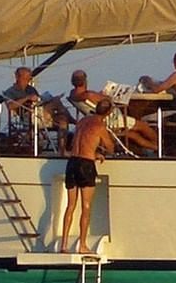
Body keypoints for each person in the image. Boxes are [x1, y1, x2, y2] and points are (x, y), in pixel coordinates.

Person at [60, 100, 112, 254]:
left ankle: (64, 245)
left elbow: (81, 142)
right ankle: (82, 245)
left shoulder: (82, 121)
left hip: (72, 162)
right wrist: (98, 152)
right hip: (86, 164)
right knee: (86, 206)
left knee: (70, 206)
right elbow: (110, 147)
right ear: (108, 113)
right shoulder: (100, 126)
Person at [69, 69, 157, 154]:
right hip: (111, 120)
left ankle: (155, 147)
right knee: (143, 126)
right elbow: (108, 100)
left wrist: (99, 94)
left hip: (103, 120)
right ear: (85, 81)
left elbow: (98, 98)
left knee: (133, 135)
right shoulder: (89, 95)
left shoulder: (73, 94)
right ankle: (158, 145)